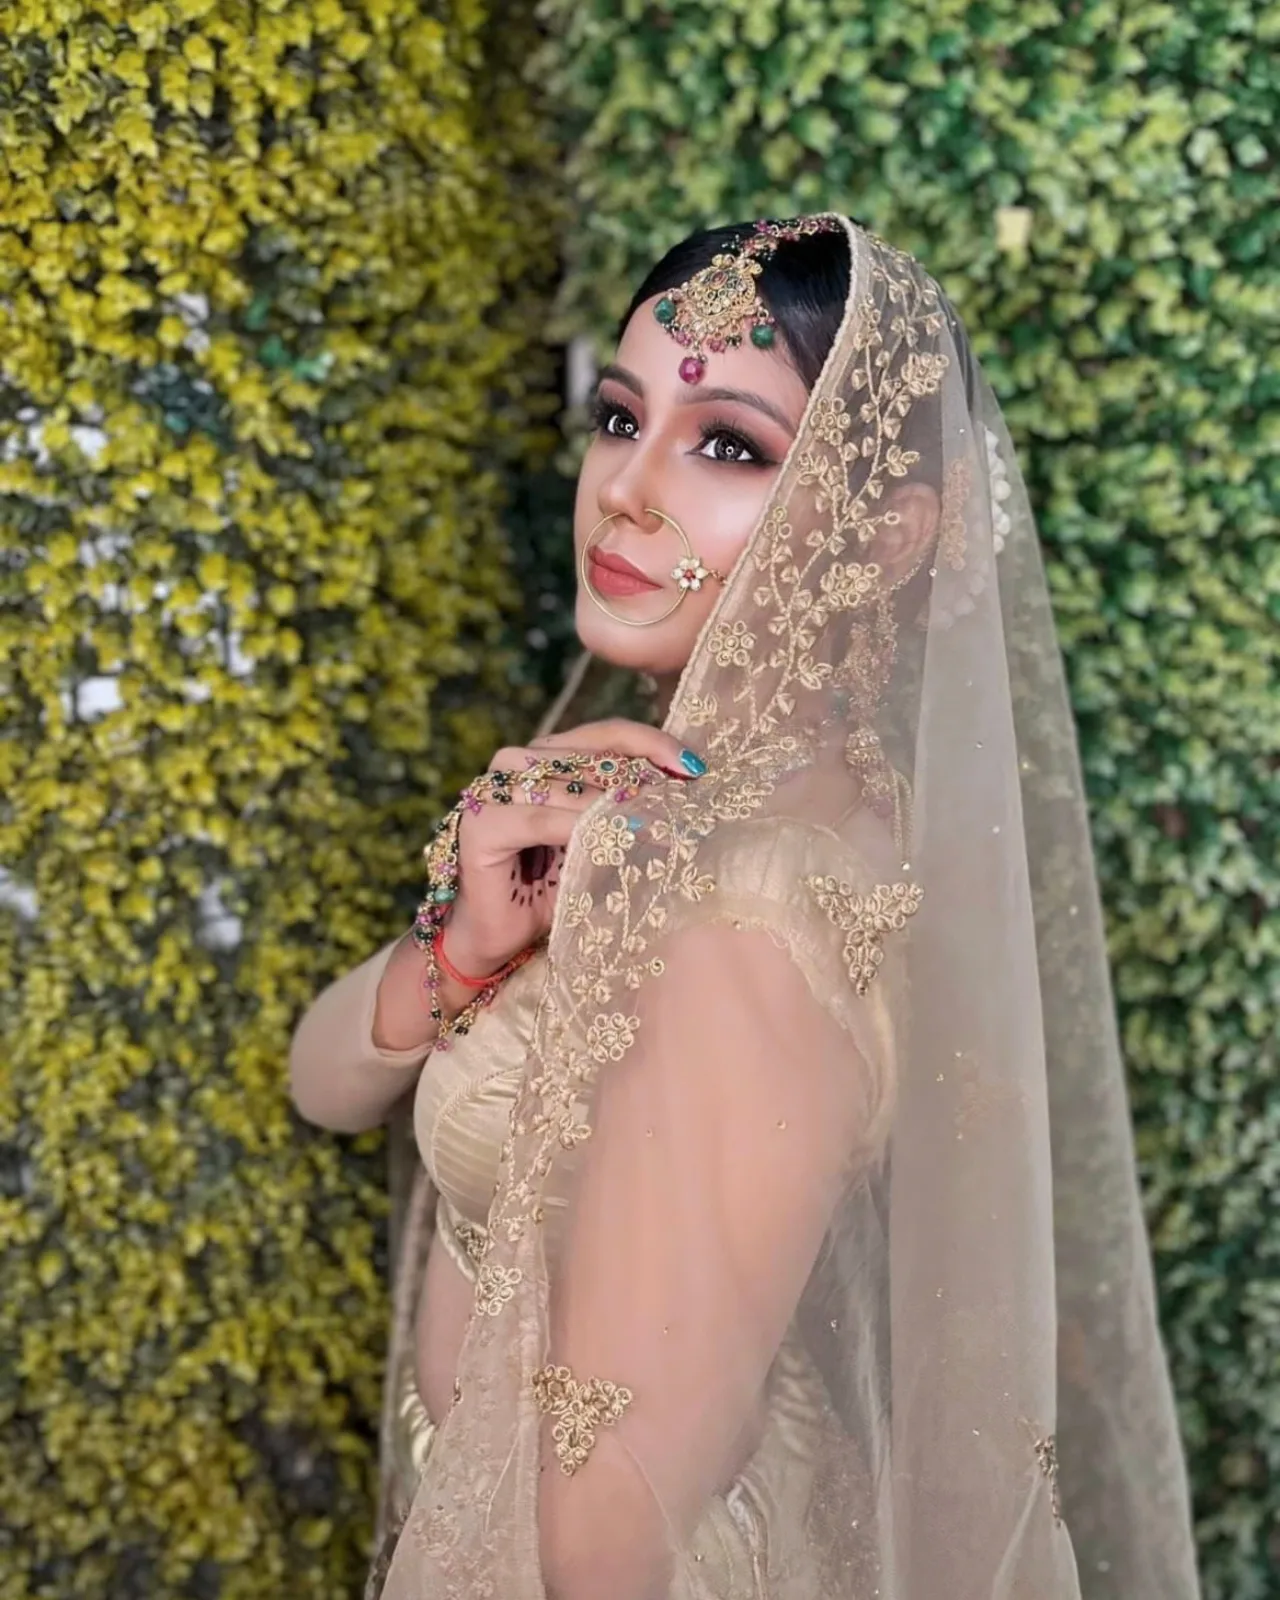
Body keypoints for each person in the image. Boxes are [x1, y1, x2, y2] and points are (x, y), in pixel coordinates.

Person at [289, 215, 1201, 1600]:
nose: (626, 491)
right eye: (620, 418)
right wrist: (465, 948)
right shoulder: (645, 798)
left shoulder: (748, 919)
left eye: (726, 445)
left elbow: (600, 1545)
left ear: (883, 536)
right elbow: (324, 1084)